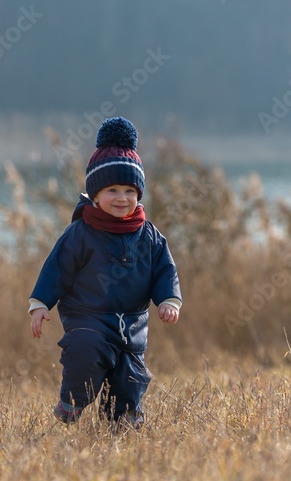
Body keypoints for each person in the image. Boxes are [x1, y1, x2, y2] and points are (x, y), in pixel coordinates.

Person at [29, 117, 182, 428]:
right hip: (88, 319)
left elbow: (165, 269)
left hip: (132, 324)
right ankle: (71, 403)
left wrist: (169, 299)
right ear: (95, 195)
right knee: (85, 353)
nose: (122, 198)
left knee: (130, 379)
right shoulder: (81, 233)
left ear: (139, 194)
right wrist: (40, 304)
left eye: (129, 190)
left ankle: (122, 424)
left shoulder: (150, 236)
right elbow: (56, 268)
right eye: (112, 189)